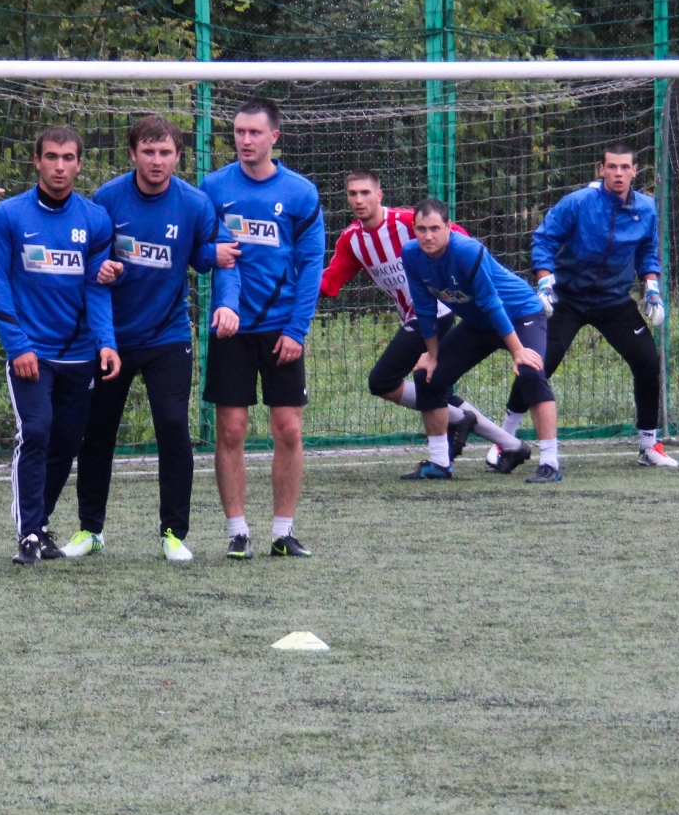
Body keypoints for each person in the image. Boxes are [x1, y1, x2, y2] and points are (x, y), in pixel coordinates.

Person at [65, 115, 241, 563]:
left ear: (178, 156)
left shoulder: (196, 204)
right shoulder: (106, 199)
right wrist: (97, 269)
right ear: (132, 154)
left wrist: (227, 303)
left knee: (172, 425)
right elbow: (88, 266)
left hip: (168, 334)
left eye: (165, 152)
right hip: (111, 339)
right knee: (98, 432)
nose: (157, 160)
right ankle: (90, 529)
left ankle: (173, 533)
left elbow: (219, 258)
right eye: (148, 151)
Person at [319, 169, 527, 470]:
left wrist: (458, 286)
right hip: (414, 317)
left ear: (379, 195)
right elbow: (330, 283)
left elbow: (458, 241)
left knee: (382, 380)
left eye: (365, 193)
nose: (359, 200)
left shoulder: (409, 223)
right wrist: (290, 283)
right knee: (429, 387)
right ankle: (510, 444)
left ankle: (446, 450)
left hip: (436, 313)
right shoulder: (352, 240)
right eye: (353, 194)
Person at [0, 125, 120, 566]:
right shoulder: (8, 215)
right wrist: (18, 345)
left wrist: (106, 342)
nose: (59, 166)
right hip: (33, 354)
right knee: (37, 431)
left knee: (66, 441)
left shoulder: (95, 219)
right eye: (51, 157)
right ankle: (26, 534)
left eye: (68, 158)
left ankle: (41, 526)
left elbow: (97, 288)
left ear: (80, 163)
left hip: (80, 355)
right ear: (37, 161)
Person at [496, 142, 678, 468]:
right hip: (568, 298)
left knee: (648, 361)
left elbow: (648, 250)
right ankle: (503, 440)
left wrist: (652, 287)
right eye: (612, 167)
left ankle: (649, 447)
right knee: (537, 364)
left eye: (625, 167)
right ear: (601, 170)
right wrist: (544, 282)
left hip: (614, 301)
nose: (618, 173)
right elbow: (544, 238)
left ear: (635, 171)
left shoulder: (647, 208)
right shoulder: (579, 202)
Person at [200, 97, 325, 559]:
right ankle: (237, 531)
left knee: (288, 429)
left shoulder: (301, 193)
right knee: (231, 430)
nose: (245, 140)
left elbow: (311, 264)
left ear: (275, 136)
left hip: (281, 328)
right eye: (238, 132)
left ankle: (283, 531)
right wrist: (228, 306)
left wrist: (297, 330)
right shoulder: (213, 187)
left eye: (255, 133)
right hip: (231, 328)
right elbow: (221, 254)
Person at [400, 198, 559, 482]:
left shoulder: (467, 251)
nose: (428, 236)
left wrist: (518, 351)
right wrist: (433, 355)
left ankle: (550, 463)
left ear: (449, 227)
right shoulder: (411, 255)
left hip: (520, 313)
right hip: (479, 323)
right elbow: (424, 309)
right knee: (428, 376)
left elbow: (491, 303)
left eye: (435, 228)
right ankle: (440, 463)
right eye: (421, 229)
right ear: (413, 229)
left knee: (530, 373)